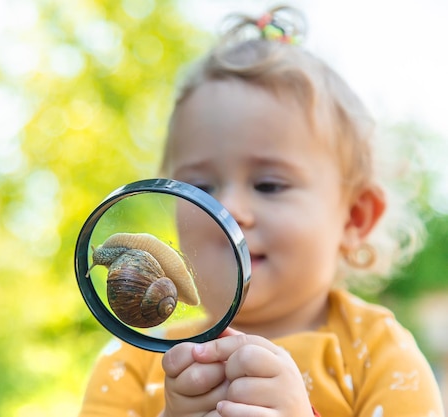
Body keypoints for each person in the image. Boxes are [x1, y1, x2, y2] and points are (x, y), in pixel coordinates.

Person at [78, 5, 445, 417]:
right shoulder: (132, 363)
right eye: (200, 187)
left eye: (269, 185)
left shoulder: (378, 353)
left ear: (354, 218)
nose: (229, 209)